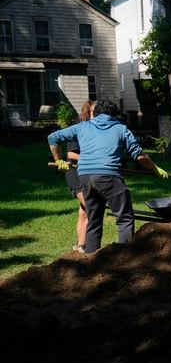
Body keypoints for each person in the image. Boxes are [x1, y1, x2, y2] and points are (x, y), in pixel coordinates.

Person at [48, 99, 169, 254]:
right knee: (125, 218)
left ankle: (91, 258)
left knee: (94, 220)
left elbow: (52, 138)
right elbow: (139, 156)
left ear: (96, 112)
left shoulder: (82, 127)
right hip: (108, 176)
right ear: (114, 114)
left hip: (85, 176)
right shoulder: (121, 129)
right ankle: (124, 258)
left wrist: (58, 160)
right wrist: (155, 168)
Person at [62, 100, 95, 253]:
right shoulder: (78, 130)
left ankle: (80, 245)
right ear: (87, 113)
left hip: (86, 175)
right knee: (91, 208)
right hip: (75, 174)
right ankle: (86, 246)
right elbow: (71, 154)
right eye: (95, 111)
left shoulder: (94, 130)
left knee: (83, 211)